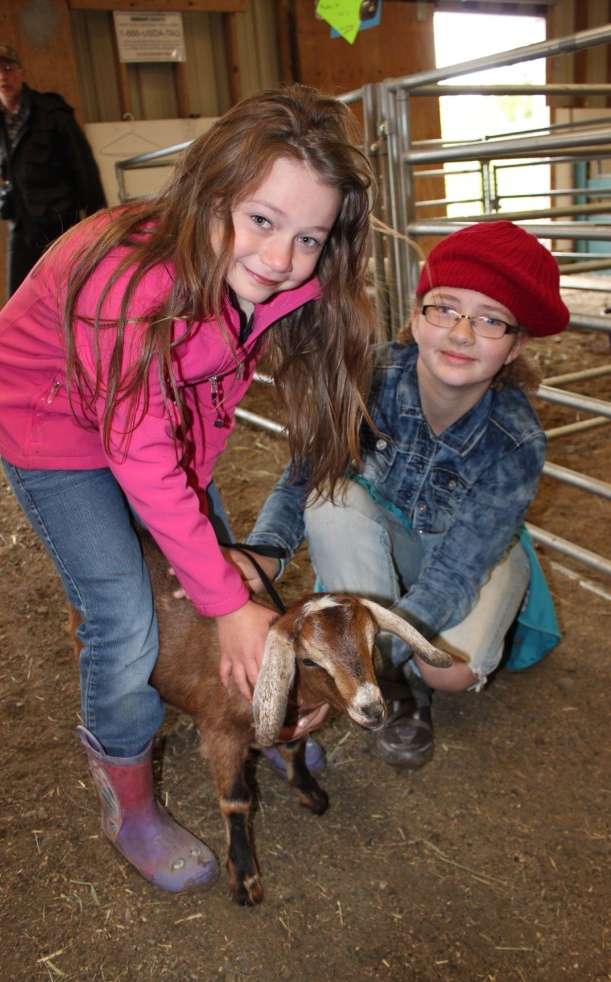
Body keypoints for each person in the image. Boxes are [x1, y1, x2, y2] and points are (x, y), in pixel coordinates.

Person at [0, 84, 376, 890]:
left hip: (155, 424)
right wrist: (226, 602)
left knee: (222, 578)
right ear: (210, 190)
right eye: (261, 220)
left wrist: (217, 578)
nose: (280, 258)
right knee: (127, 617)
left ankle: (256, 719)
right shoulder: (130, 278)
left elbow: (196, 401)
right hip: (52, 423)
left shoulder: (286, 287)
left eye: (309, 237)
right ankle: (128, 800)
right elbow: (135, 449)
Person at [238, 220, 569, 769]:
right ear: (416, 318)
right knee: (332, 498)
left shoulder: (517, 441)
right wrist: (268, 549)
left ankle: (400, 671)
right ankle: (397, 690)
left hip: (468, 561)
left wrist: (339, 667)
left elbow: (457, 573)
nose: (462, 333)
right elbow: (306, 473)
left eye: (491, 320)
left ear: (514, 348)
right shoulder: (369, 377)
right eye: (445, 308)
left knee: (451, 670)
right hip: (382, 537)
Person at [0, 43, 106, 297]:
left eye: (8, 69)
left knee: (73, 293)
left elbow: (83, 167)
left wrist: (99, 220)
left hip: (58, 223)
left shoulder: (52, 113)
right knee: (16, 299)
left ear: (22, 73)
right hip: (21, 226)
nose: (2, 77)